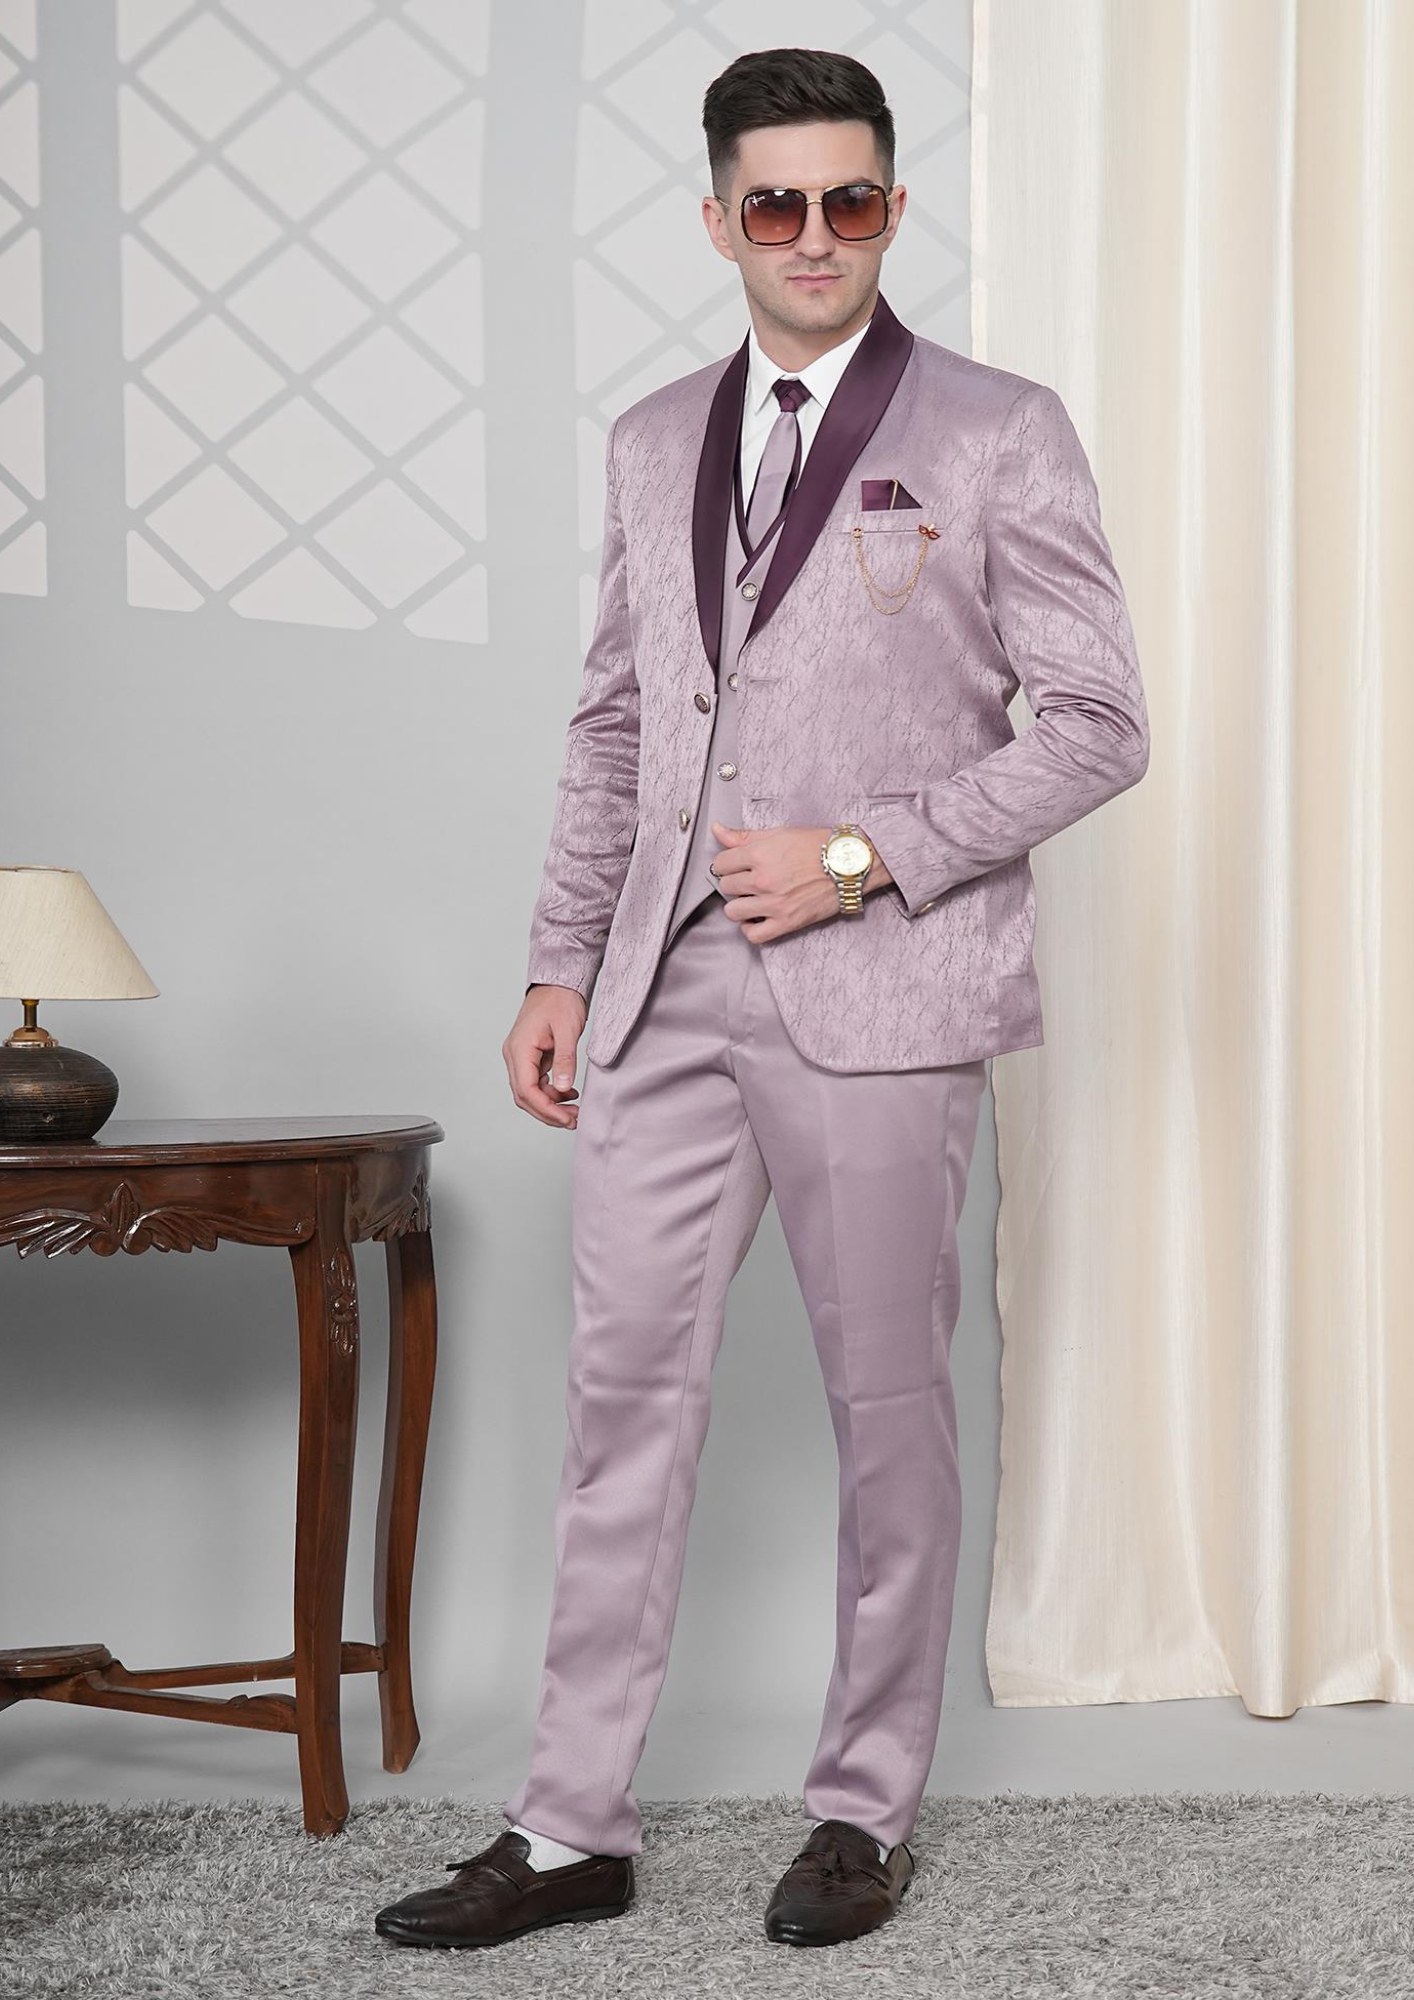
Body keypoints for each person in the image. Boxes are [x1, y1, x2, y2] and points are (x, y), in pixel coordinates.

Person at [375, 44, 1148, 1955]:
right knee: (618, 1399)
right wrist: (561, 963)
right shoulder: (654, 439)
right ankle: (568, 1826)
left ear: (892, 207)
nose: (817, 235)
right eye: (778, 203)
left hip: (881, 989)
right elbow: (616, 723)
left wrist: (864, 854)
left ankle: (861, 1809)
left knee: (887, 1408)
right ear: (718, 219)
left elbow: (1099, 724)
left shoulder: (998, 429)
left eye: (851, 199)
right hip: (663, 991)